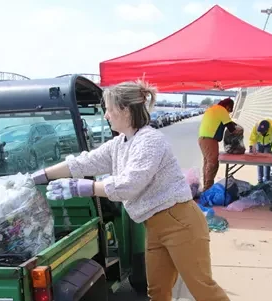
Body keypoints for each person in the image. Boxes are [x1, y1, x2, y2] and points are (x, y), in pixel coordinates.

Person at [30, 80, 230, 301]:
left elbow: (129, 185)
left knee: (202, 288)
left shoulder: (151, 141)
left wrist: (83, 187)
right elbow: (84, 162)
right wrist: (39, 176)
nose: (106, 115)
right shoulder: (120, 144)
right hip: (153, 225)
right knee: (157, 291)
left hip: (179, 222)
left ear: (125, 110)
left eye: (109, 109)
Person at [198, 98, 242, 191]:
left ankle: (206, 186)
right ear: (227, 106)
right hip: (209, 139)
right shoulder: (222, 110)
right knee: (213, 163)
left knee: (207, 163)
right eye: (229, 111)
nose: (229, 113)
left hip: (203, 139)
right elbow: (231, 128)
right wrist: (239, 130)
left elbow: (227, 122)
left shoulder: (213, 109)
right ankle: (208, 189)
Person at [248, 119, 272, 183]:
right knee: (259, 161)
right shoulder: (257, 126)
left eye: (262, 132)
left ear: (267, 129)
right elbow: (252, 138)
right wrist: (251, 147)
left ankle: (267, 180)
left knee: (266, 162)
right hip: (259, 143)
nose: (261, 133)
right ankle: (260, 180)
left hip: (269, 144)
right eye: (260, 131)